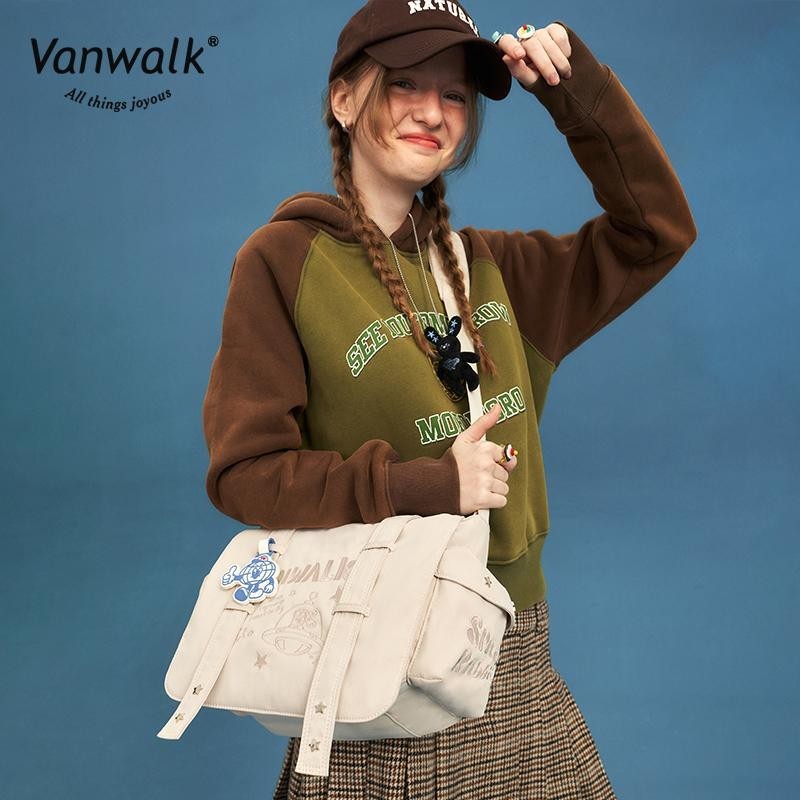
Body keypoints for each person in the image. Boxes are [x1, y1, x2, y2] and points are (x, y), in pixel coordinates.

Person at [201, 0, 697, 797]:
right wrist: (424, 485)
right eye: (404, 83)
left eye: (456, 94)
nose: (432, 112)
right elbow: (245, 475)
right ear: (343, 99)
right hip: (379, 679)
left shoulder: (498, 273)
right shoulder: (283, 263)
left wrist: (574, 90)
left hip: (518, 669)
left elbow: (658, 230)